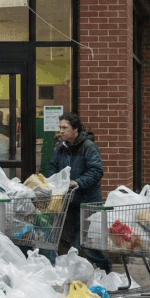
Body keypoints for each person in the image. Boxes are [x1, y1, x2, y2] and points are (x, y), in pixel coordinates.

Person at [47, 112, 113, 272]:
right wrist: (50, 182)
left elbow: (96, 171)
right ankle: (72, 273)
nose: (61, 131)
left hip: (87, 203)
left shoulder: (88, 147)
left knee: (85, 244)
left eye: (65, 128)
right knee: (65, 241)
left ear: (75, 129)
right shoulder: (62, 148)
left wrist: (78, 182)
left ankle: (105, 267)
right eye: (60, 128)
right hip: (68, 203)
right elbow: (53, 167)